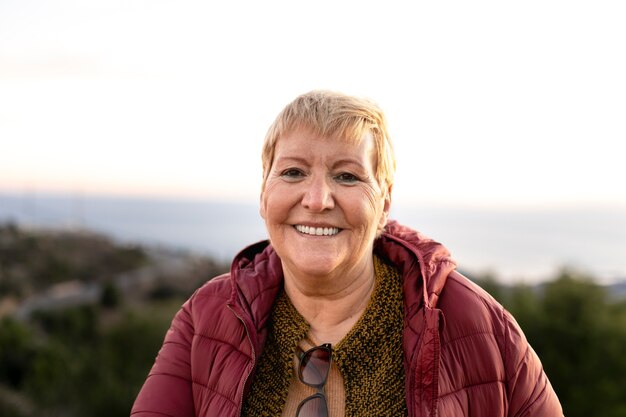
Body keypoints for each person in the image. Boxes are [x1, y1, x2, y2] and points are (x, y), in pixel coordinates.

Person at [131, 90, 563, 417]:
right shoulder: (206, 316)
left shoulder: (479, 323)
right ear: (264, 194)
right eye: (294, 172)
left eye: (348, 176)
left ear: (385, 204)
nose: (317, 199)